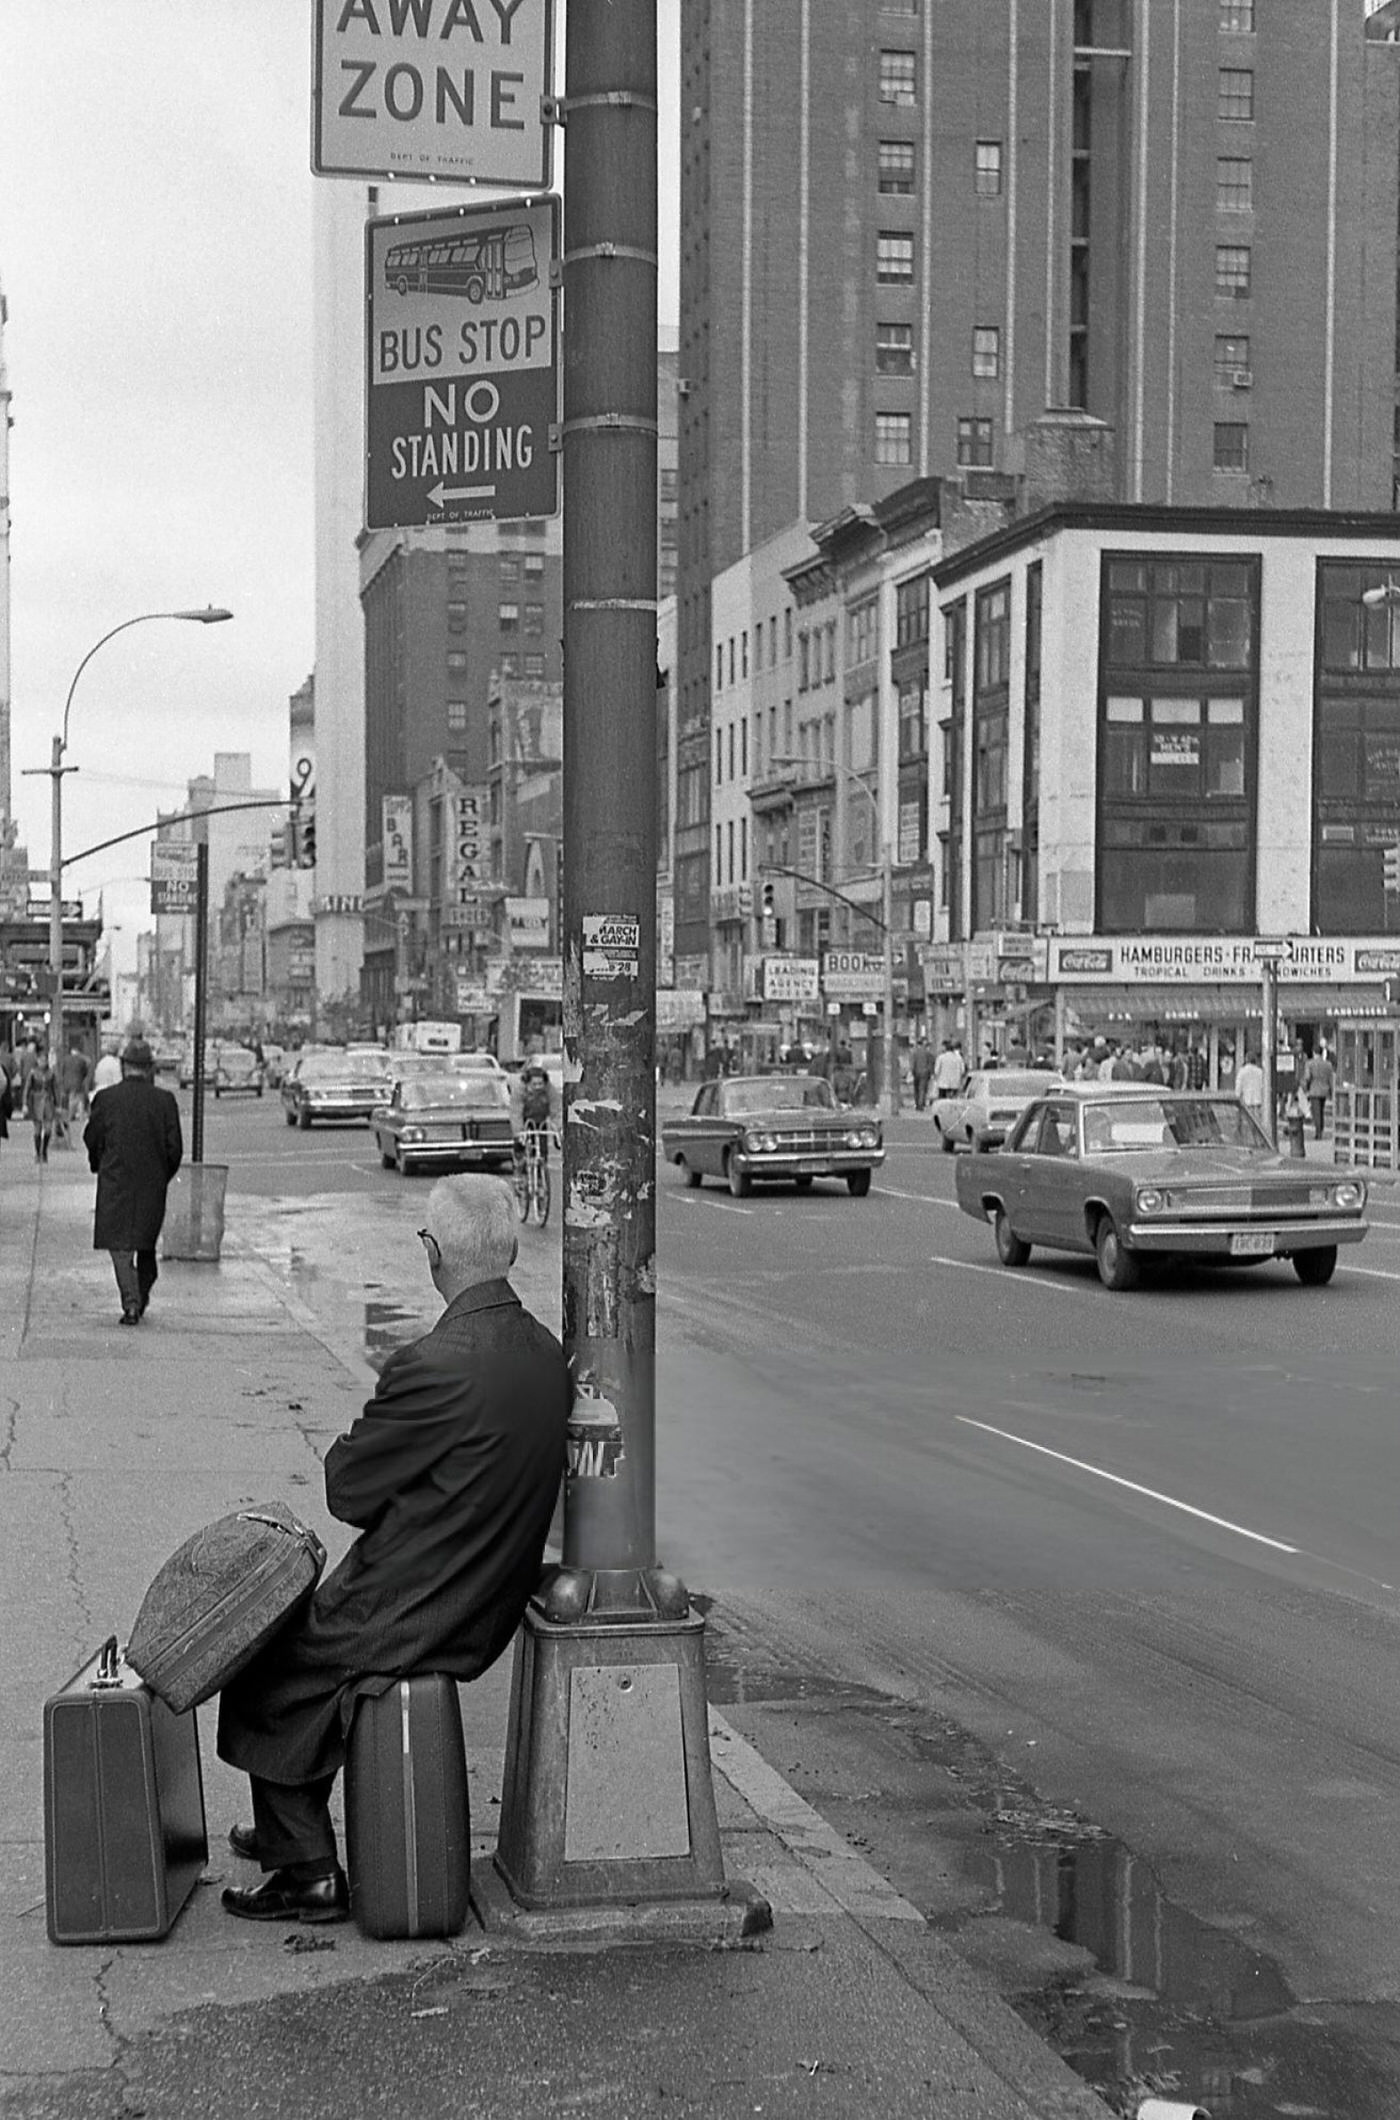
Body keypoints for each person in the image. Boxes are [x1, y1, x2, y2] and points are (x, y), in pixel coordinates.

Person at [216, 1175, 572, 1924]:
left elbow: (348, 1491)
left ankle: (305, 1870)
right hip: (490, 1592)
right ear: (506, 1252)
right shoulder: (546, 1353)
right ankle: (291, 1827)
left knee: (264, 1669)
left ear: (433, 1252)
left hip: (419, 1599)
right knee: (305, 1664)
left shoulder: (435, 1363)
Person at [82, 1039, 183, 1326]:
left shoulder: (107, 1099)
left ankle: (131, 1303)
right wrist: (161, 1175)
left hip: (116, 1180)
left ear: (124, 1067)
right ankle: (139, 1294)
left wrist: (99, 1163)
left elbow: (92, 1137)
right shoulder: (165, 1102)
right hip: (151, 1184)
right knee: (145, 1242)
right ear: (149, 1068)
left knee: (120, 1247)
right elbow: (175, 1149)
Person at [24, 1054, 58, 1163]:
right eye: (41, 1060)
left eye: (45, 1060)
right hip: (36, 1102)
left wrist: (57, 1104)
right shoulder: (33, 1073)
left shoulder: (51, 1073)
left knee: (48, 1129)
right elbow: (27, 1088)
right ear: (37, 1061)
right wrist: (25, 1103)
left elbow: (55, 1089)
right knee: (37, 1129)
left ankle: (44, 1151)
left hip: (48, 1101)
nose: (43, 1062)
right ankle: (38, 1153)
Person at [1302, 1046, 1335, 1141]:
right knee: (1321, 1110)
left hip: (1314, 1089)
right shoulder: (1328, 1064)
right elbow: (1330, 1078)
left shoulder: (1310, 1063)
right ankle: (1321, 1128)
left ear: (1314, 1053)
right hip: (1324, 1090)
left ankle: (1318, 1132)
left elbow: (1307, 1077)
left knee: (1316, 1112)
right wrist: (1331, 1091)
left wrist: (1306, 1088)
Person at [1235, 1049, 1265, 1122]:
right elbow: (1263, 1086)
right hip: (1258, 1101)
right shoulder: (1260, 1072)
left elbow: (1238, 1086)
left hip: (1246, 1101)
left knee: (1247, 1122)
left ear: (1246, 1059)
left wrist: (1237, 1097)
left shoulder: (1242, 1071)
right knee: (1258, 1123)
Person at [910, 1039, 934, 1111]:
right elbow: (930, 1064)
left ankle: (917, 1103)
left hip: (916, 1073)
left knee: (916, 1089)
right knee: (922, 1089)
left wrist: (912, 1072)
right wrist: (930, 1073)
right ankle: (921, 1104)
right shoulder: (928, 1053)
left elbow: (913, 1064)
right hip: (925, 1073)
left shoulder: (914, 1053)